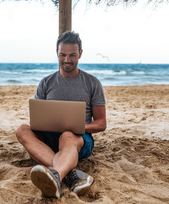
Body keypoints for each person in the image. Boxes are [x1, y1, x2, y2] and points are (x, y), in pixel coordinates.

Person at [15, 31, 107, 198]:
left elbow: (101, 123)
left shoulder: (92, 83)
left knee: (67, 135)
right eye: (62, 54)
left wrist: (78, 127)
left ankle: (56, 174)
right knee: (22, 130)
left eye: (72, 55)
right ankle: (70, 174)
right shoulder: (46, 82)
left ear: (80, 53)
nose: (67, 59)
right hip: (50, 137)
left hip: (78, 139)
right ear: (56, 53)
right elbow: (37, 118)